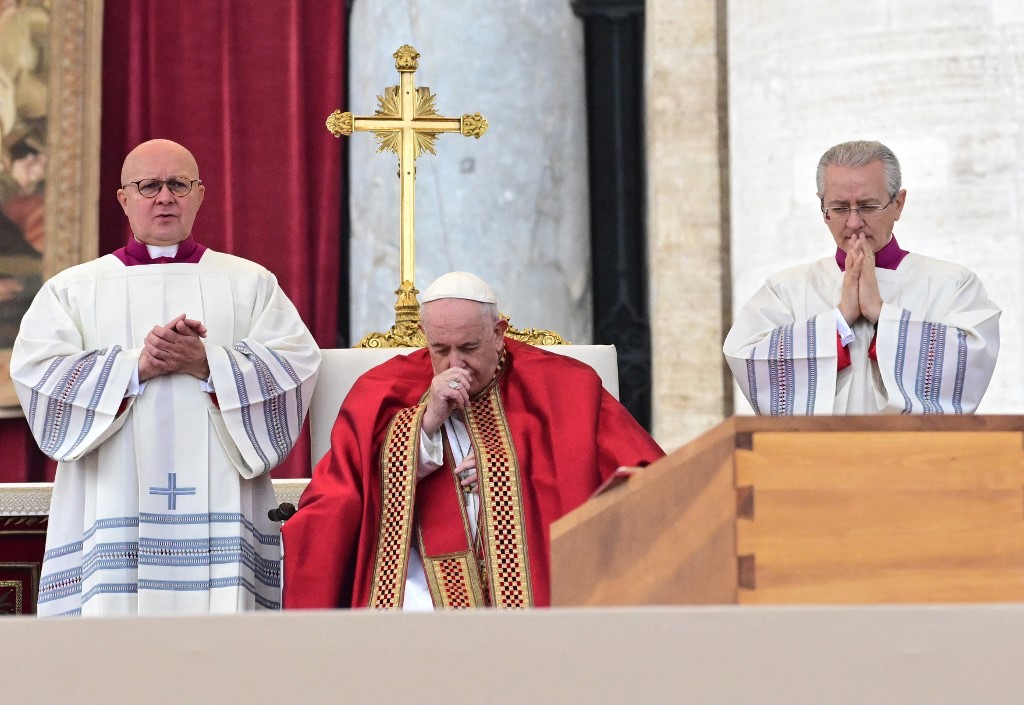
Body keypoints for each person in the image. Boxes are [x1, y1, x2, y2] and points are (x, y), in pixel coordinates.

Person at [10, 139, 321, 616]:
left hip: (221, 513)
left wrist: (207, 363)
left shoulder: (249, 283)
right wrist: (135, 367)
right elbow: (38, 375)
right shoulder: (72, 290)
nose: (164, 197)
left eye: (178, 184)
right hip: (112, 500)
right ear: (124, 198)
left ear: (199, 194)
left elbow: (295, 366)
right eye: (149, 185)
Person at [282, 271, 664, 609]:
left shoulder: (565, 386)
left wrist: (508, 477)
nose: (455, 365)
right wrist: (423, 426)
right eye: (440, 350)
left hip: (538, 582)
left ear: (498, 334)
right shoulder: (383, 390)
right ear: (424, 338)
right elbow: (342, 491)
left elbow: (641, 480)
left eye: (468, 348)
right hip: (419, 588)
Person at [723, 139, 1000, 415]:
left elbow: (970, 359)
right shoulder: (786, 290)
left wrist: (881, 314)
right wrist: (839, 321)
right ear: (823, 211)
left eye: (867, 206)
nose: (854, 222)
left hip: (915, 454)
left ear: (898, 204)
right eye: (840, 208)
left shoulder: (952, 284)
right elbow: (746, 357)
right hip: (819, 456)